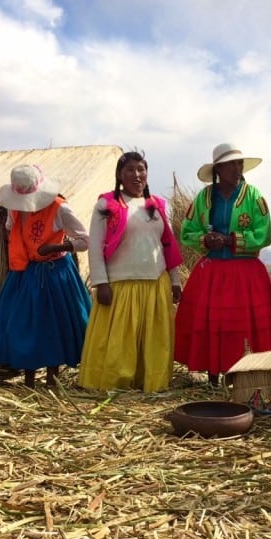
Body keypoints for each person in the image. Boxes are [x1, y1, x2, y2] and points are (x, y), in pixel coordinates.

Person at [78, 150, 184, 392]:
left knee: (153, 341)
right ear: (119, 175)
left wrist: (175, 280)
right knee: (118, 343)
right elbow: (94, 245)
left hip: (155, 282)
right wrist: (100, 282)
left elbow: (168, 244)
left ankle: (150, 381)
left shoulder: (155, 205)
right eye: (130, 170)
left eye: (141, 169)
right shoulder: (106, 205)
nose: (137, 175)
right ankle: (113, 383)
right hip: (120, 284)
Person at [0, 165, 92, 388]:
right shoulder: (14, 208)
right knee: (25, 324)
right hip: (26, 273)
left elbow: (85, 240)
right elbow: (12, 231)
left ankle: (53, 379)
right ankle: (29, 379)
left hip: (56, 274)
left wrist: (55, 246)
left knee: (55, 324)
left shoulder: (59, 208)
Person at [176, 143, 271, 385]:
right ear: (218, 168)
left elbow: (264, 234)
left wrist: (230, 240)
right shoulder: (204, 197)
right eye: (231, 164)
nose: (237, 169)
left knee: (241, 325)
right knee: (213, 323)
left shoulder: (254, 196)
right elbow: (188, 231)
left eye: (239, 163)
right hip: (212, 271)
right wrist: (205, 239)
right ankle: (212, 374)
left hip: (245, 272)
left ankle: (242, 375)